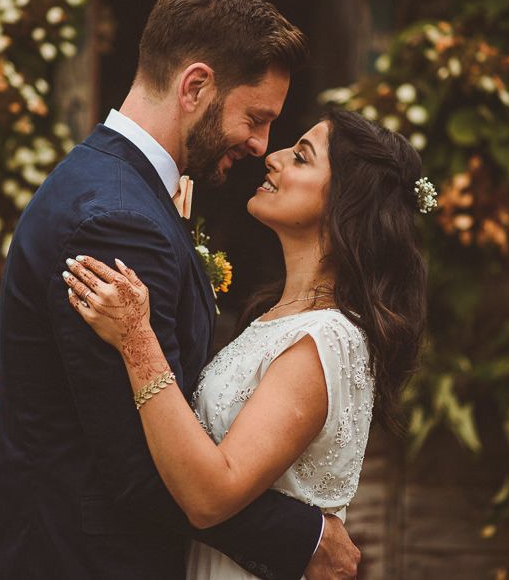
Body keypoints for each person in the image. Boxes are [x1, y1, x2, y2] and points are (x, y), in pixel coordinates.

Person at [0, 0, 361, 579]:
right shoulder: (118, 219)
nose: (263, 146)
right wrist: (303, 538)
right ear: (196, 86)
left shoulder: (114, 188)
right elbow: (138, 469)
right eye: (255, 117)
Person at [63, 109, 432, 578]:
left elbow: (210, 496)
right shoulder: (275, 318)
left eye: (300, 157)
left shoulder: (326, 339)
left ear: (346, 203)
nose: (272, 158)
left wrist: (137, 338)